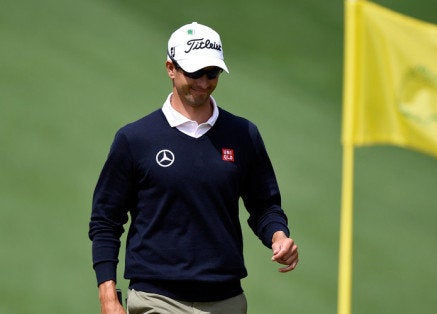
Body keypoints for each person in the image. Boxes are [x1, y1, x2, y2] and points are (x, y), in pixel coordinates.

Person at [89, 21, 299, 314]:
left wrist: (279, 236)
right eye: (194, 73)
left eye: (211, 73)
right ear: (170, 68)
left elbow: (264, 206)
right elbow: (106, 221)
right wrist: (108, 298)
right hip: (156, 299)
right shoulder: (135, 139)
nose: (203, 82)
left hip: (226, 300)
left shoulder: (243, 135)